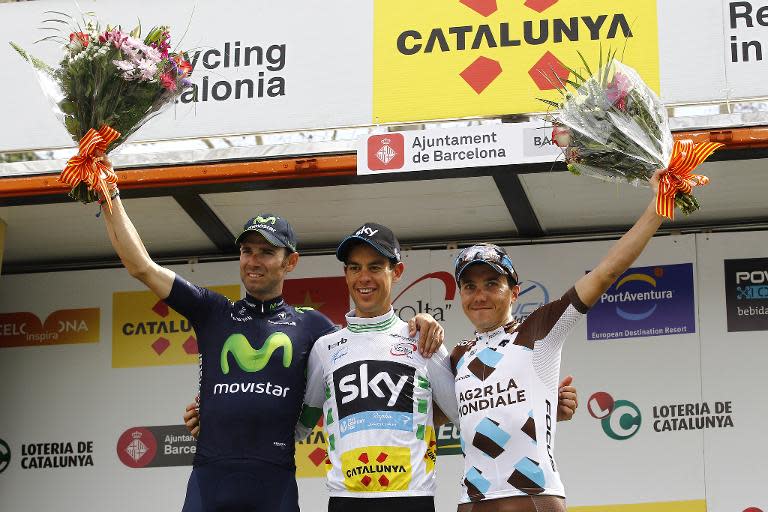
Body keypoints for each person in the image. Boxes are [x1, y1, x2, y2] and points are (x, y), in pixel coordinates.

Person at [97, 177, 443, 512]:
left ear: (289, 262)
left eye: (266, 251)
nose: (253, 260)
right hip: (209, 480)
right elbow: (141, 266)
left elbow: (370, 344)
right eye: (247, 250)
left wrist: (420, 322)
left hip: (274, 485)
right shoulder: (212, 311)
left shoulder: (314, 327)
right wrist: (107, 192)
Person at [298, 223, 579, 512]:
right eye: (355, 267)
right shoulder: (325, 348)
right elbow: (300, 426)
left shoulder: (423, 341)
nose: (364, 277)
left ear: (396, 272)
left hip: (412, 499)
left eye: (375, 266)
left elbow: (467, 411)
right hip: (345, 501)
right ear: (345, 274)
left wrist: (539, 403)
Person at [449, 170, 669, 512]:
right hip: (472, 503)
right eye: (470, 286)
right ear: (460, 295)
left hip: (534, 497)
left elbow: (607, 272)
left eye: (492, 283)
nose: (480, 295)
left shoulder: (539, 329)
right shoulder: (458, 356)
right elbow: (433, 413)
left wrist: (658, 206)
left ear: (514, 292)